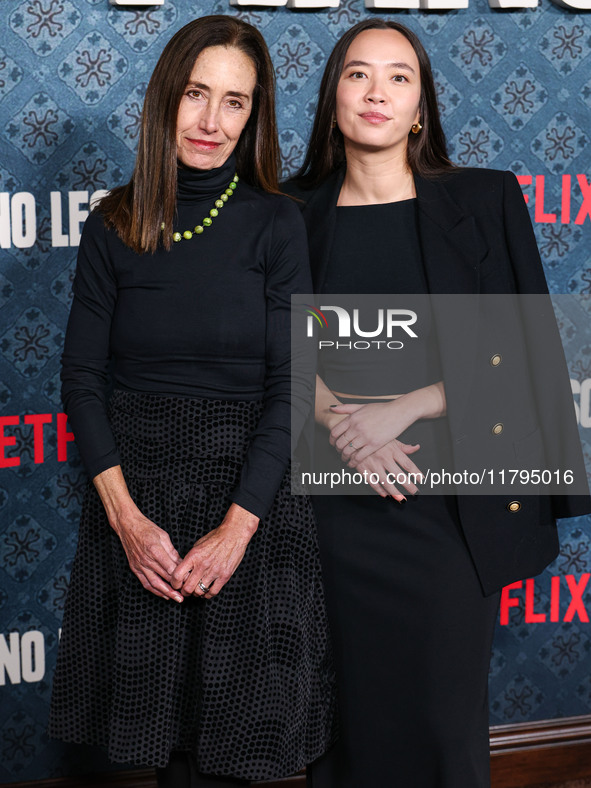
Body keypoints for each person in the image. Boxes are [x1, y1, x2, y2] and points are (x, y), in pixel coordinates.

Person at [285, 18, 590, 788]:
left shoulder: (482, 201)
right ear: (332, 98)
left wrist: (405, 406)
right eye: (357, 74)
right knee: (339, 730)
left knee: (441, 728)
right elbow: (267, 349)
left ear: (420, 104)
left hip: (447, 513)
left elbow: (531, 356)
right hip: (328, 517)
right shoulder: (288, 213)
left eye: (398, 76)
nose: (376, 91)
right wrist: (346, 428)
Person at [47, 16, 336, 788]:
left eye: (235, 102)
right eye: (196, 94)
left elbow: (295, 385)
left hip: (251, 502)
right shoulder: (113, 223)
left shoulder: (277, 222)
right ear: (163, 98)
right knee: (142, 758)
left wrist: (237, 529)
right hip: (137, 506)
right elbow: (81, 378)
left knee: (240, 757)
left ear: (254, 116)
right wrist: (127, 520)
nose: (212, 121)